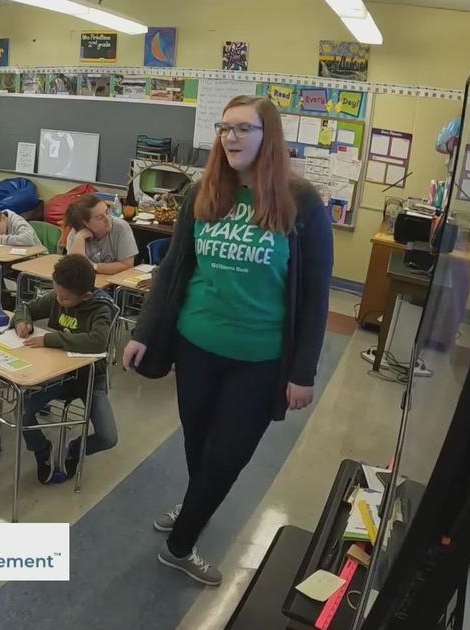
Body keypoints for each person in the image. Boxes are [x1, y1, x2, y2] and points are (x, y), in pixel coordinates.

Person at [123, 95, 333, 587]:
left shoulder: (301, 203)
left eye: (244, 128)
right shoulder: (205, 191)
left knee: (228, 455)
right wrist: (143, 333)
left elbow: (314, 298)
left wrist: (303, 372)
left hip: (260, 360)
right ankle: (197, 506)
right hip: (195, 346)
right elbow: (173, 270)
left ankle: (180, 544)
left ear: (269, 136)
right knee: (199, 446)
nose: (231, 137)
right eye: (225, 128)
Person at [12, 254, 117, 484]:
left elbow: (97, 341)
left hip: (90, 379)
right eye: (57, 294)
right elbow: (24, 307)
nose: (59, 301)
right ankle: (42, 448)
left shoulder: (100, 308)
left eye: (65, 299)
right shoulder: (59, 296)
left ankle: (75, 449)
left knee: (108, 437)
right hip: (57, 375)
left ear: (86, 296)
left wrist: (51, 339)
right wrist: (22, 321)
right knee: (23, 411)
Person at [65, 195, 137, 274]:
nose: (107, 219)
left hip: (112, 283)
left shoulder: (121, 228)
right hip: (85, 283)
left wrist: (94, 267)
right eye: (99, 217)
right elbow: (75, 267)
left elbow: (127, 266)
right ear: (86, 223)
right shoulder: (77, 232)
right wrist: (80, 237)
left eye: (107, 212)